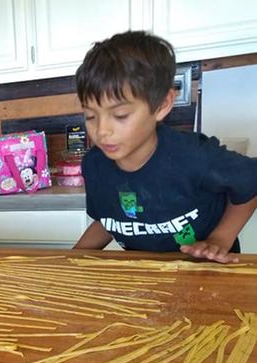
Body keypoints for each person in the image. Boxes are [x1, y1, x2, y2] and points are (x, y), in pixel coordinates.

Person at [73, 31, 257, 263]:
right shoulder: (95, 165)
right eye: (90, 116)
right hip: (146, 277)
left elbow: (251, 183)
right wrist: (69, 259)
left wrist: (221, 238)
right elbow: (109, 221)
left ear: (162, 104)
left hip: (207, 273)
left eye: (120, 115)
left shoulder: (194, 156)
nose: (101, 131)